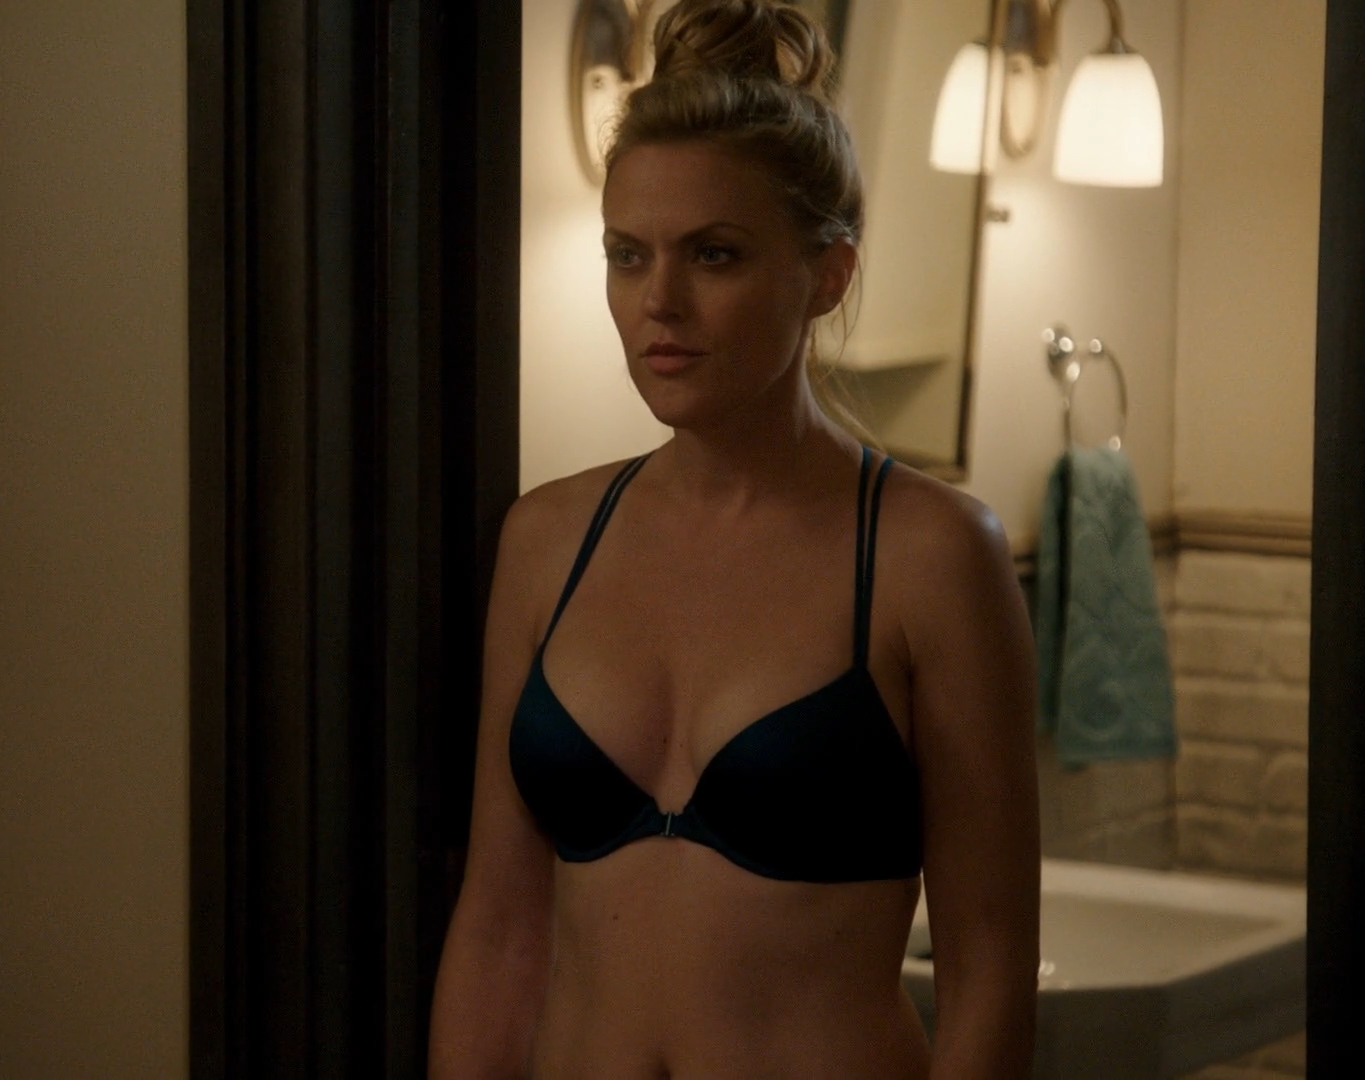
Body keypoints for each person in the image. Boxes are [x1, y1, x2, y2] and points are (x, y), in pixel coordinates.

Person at [426, 1, 1041, 1076]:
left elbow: (989, 969)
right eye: (627, 255)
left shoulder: (930, 555)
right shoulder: (549, 539)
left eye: (713, 255)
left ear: (829, 275)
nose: (659, 301)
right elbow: (499, 931)